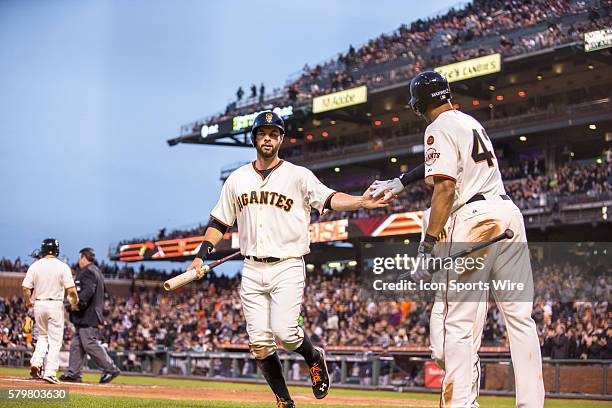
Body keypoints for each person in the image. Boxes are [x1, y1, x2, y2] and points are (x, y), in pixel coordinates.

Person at [189, 110, 386, 408]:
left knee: (285, 332)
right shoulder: (237, 179)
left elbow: (329, 198)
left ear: (281, 139)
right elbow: (219, 223)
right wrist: (199, 257)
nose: (267, 138)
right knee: (259, 343)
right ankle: (284, 401)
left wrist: (360, 201)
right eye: (262, 133)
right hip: (252, 268)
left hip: (288, 265)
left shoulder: (298, 175)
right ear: (254, 138)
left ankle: (313, 356)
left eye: (274, 134)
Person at [371, 71, 545, 407]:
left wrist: (427, 244)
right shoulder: (470, 122)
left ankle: (460, 404)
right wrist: (402, 181)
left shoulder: (436, 127)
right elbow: (444, 163)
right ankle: (532, 403)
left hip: (473, 219)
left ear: (419, 105)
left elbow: (445, 186)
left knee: (461, 326)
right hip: (508, 214)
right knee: (522, 320)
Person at [59, 248, 121, 384]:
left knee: (89, 343)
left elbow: (87, 292)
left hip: (87, 314)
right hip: (87, 314)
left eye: (80, 257)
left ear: (83, 258)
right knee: (77, 344)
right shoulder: (96, 270)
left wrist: (76, 304)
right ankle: (73, 373)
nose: (79, 260)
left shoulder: (88, 271)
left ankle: (110, 368)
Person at [22, 238, 79, 384]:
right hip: (55, 305)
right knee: (55, 340)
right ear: (57, 250)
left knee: (42, 337)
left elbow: (25, 288)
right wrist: (74, 302)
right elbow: (71, 290)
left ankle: (36, 362)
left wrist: (29, 302)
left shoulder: (35, 266)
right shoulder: (62, 266)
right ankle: (50, 372)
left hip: (39, 305)